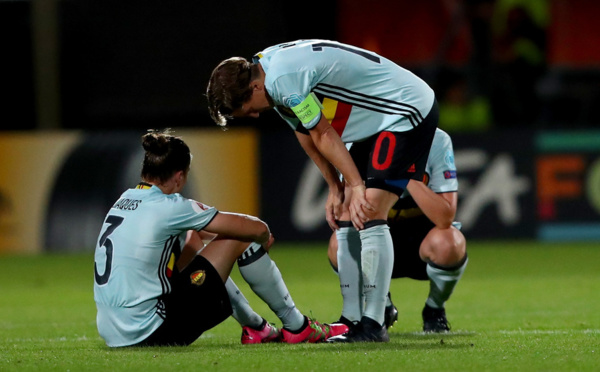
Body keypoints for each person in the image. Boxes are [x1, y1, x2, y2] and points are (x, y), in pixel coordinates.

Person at [207, 40, 439, 342]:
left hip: (406, 110)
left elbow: (323, 132)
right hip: (377, 119)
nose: (252, 116)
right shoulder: (266, 70)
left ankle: (374, 322)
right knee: (345, 209)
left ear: (254, 89)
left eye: (246, 109)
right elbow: (304, 131)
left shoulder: (282, 80)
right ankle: (352, 318)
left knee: (369, 209)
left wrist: (355, 185)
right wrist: (335, 186)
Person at [93, 129, 341, 347]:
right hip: (151, 330)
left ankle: (256, 327)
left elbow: (194, 236)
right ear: (179, 176)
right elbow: (251, 227)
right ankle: (297, 326)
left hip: (113, 331)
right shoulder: (169, 206)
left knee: (190, 240)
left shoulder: (124, 200)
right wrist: (263, 236)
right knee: (241, 239)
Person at [327, 128, 468, 333]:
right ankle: (379, 305)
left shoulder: (436, 139)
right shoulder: (356, 136)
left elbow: (445, 217)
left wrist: (405, 171)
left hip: (422, 241)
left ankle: (434, 308)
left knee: (450, 243)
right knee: (339, 243)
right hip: (375, 238)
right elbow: (348, 210)